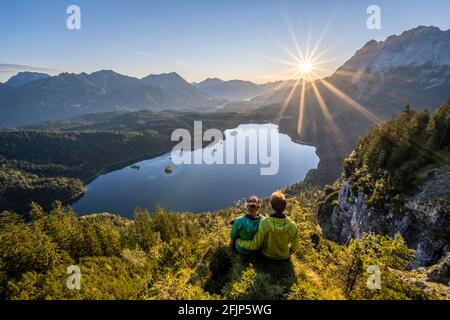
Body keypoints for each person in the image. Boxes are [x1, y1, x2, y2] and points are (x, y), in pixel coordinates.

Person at [236, 191, 298, 260]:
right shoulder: (292, 226)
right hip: (284, 256)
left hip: (267, 255)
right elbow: (294, 248)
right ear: (284, 206)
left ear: (270, 205)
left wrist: (239, 241)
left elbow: (255, 245)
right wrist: (287, 253)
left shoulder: (265, 223)